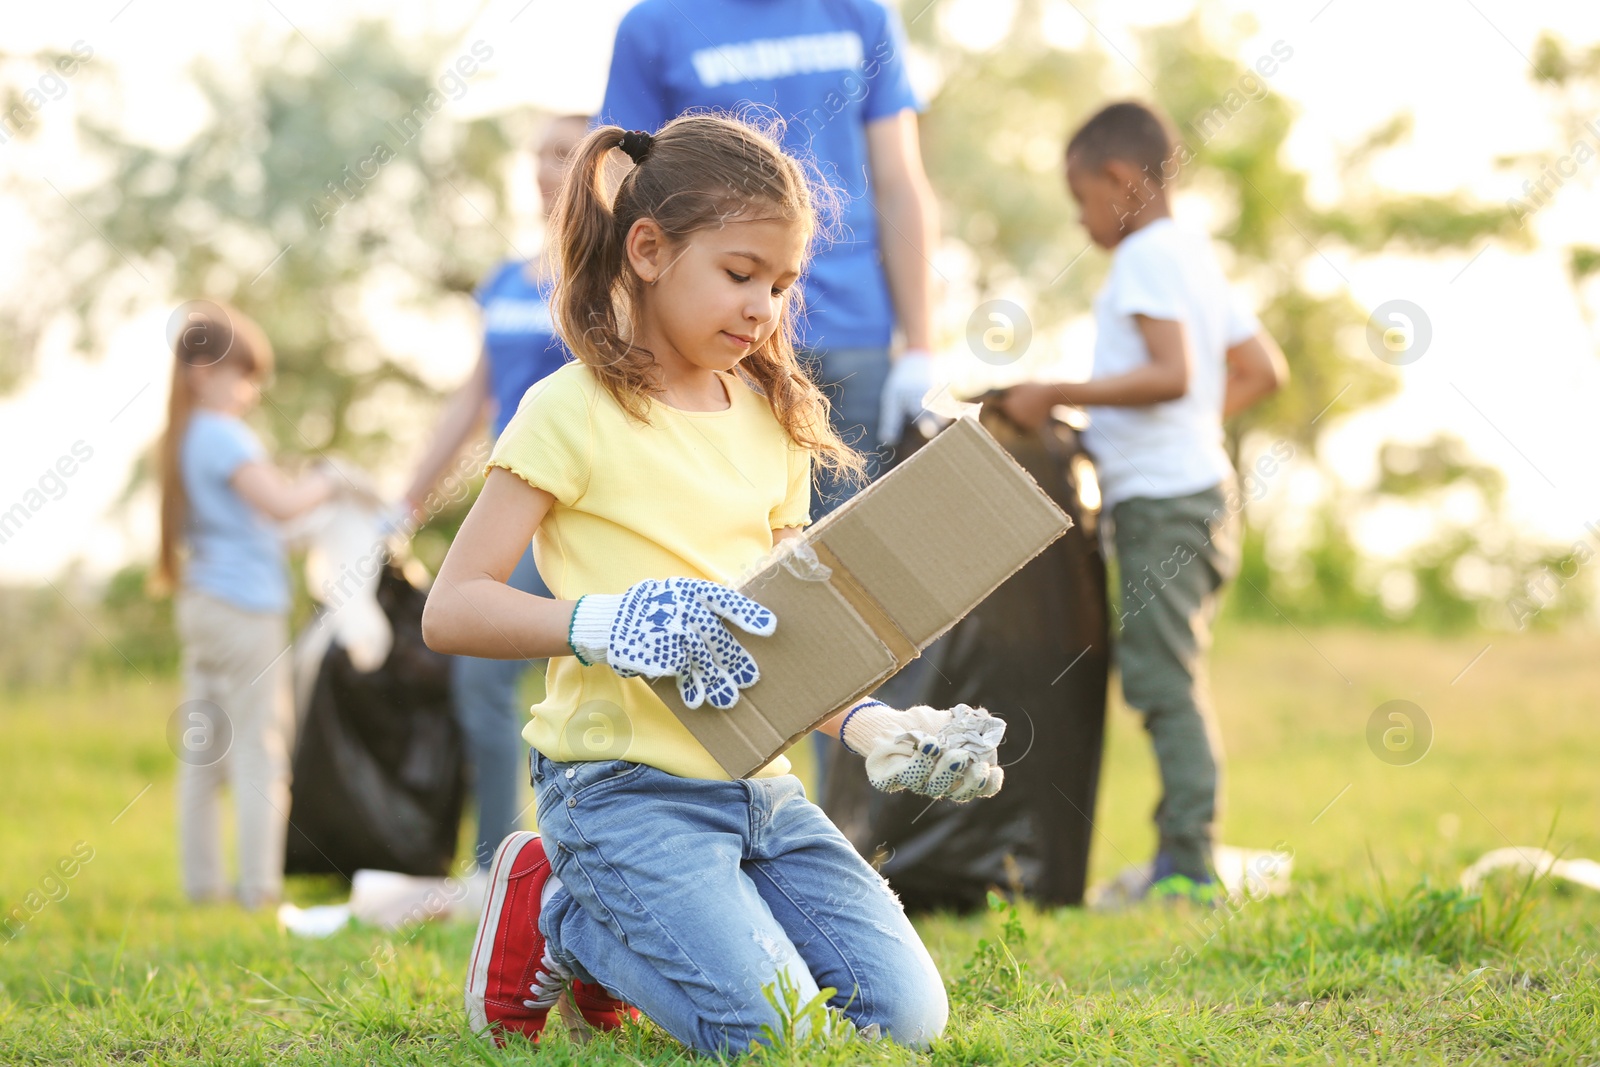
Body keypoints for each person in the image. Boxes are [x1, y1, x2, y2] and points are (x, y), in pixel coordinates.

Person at [421, 115, 1004, 1052]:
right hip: (618, 789)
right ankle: (560, 908)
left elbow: (792, 638)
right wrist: (602, 624)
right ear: (647, 250)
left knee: (905, 1018)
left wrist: (875, 725)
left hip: (760, 792)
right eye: (740, 275)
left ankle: (631, 921)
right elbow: (451, 609)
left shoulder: (774, 421)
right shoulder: (567, 410)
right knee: (778, 1035)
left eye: (782, 284)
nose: (765, 308)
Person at [1001, 102, 1289, 904]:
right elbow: (1262, 368)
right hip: (1191, 490)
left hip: (1166, 504)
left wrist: (1055, 390)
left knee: (1164, 682)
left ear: (1119, 180)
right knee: (1169, 674)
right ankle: (1183, 852)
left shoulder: (1145, 259)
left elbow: (1173, 375)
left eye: (1080, 195)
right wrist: (1176, 431)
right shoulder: (1192, 255)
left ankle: (1190, 864)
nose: (1080, 215)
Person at [596, 0, 941, 519]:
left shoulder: (860, 15)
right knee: (734, 540)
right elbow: (623, 187)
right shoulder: (655, 25)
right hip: (714, 346)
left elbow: (900, 183)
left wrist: (920, 346)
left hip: (855, 337)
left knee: (847, 558)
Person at [396, 115, 588, 871]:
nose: (547, 168)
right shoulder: (509, 279)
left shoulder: (613, 275)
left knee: (566, 681)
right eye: (539, 153)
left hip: (577, 508)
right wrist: (408, 499)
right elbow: (470, 399)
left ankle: (571, 859)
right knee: (480, 675)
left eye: (566, 153)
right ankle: (499, 863)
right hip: (510, 503)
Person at [153, 302, 352, 909]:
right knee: (260, 748)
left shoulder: (182, 439)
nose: (249, 393)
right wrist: (332, 478)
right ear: (200, 373)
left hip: (203, 604)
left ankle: (202, 885)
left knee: (203, 748)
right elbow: (284, 505)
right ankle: (259, 889)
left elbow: (258, 524)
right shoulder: (222, 434)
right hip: (245, 611)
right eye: (241, 376)